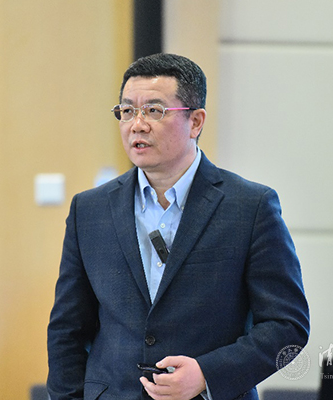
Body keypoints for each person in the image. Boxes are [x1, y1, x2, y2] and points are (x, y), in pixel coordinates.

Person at [47, 53, 309, 400]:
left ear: (195, 122)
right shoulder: (90, 210)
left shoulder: (250, 207)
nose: (137, 125)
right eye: (127, 111)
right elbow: (67, 330)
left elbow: (287, 326)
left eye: (154, 111)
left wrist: (207, 375)